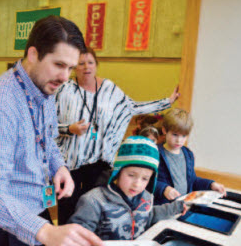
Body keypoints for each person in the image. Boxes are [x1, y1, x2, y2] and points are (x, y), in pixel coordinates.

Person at [0, 16, 103, 246]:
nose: (64, 76)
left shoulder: (44, 90)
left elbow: (47, 140)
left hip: (36, 209)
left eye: (70, 68)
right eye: (58, 64)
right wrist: (46, 231)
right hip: (2, 221)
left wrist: (58, 166)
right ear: (33, 53)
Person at [55, 46, 181, 225]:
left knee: (95, 209)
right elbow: (48, 124)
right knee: (67, 207)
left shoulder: (108, 89)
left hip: (99, 164)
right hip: (70, 164)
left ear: (96, 65)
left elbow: (132, 107)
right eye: (81, 63)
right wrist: (69, 129)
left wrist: (166, 102)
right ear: (74, 67)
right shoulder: (64, 89)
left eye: (90, 62)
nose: (86, 67)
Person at [68, 136, 187, 246]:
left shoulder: (146, 197)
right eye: (131, 175)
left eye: (145, 179)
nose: (137, 184)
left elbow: (149, 215)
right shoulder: (93, 201)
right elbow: (76, 236)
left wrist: (176, 207)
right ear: (118, 171)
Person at [154, 108, 226, 205]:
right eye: (175, 135)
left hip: (184, 206)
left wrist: (211, 184)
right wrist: (164, 189)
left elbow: (193, 180)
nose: (179, 140)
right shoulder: (154, 153)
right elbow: (146, 182)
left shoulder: (188, 154)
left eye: (183, 136)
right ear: (164, 130)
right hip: (163, 207)